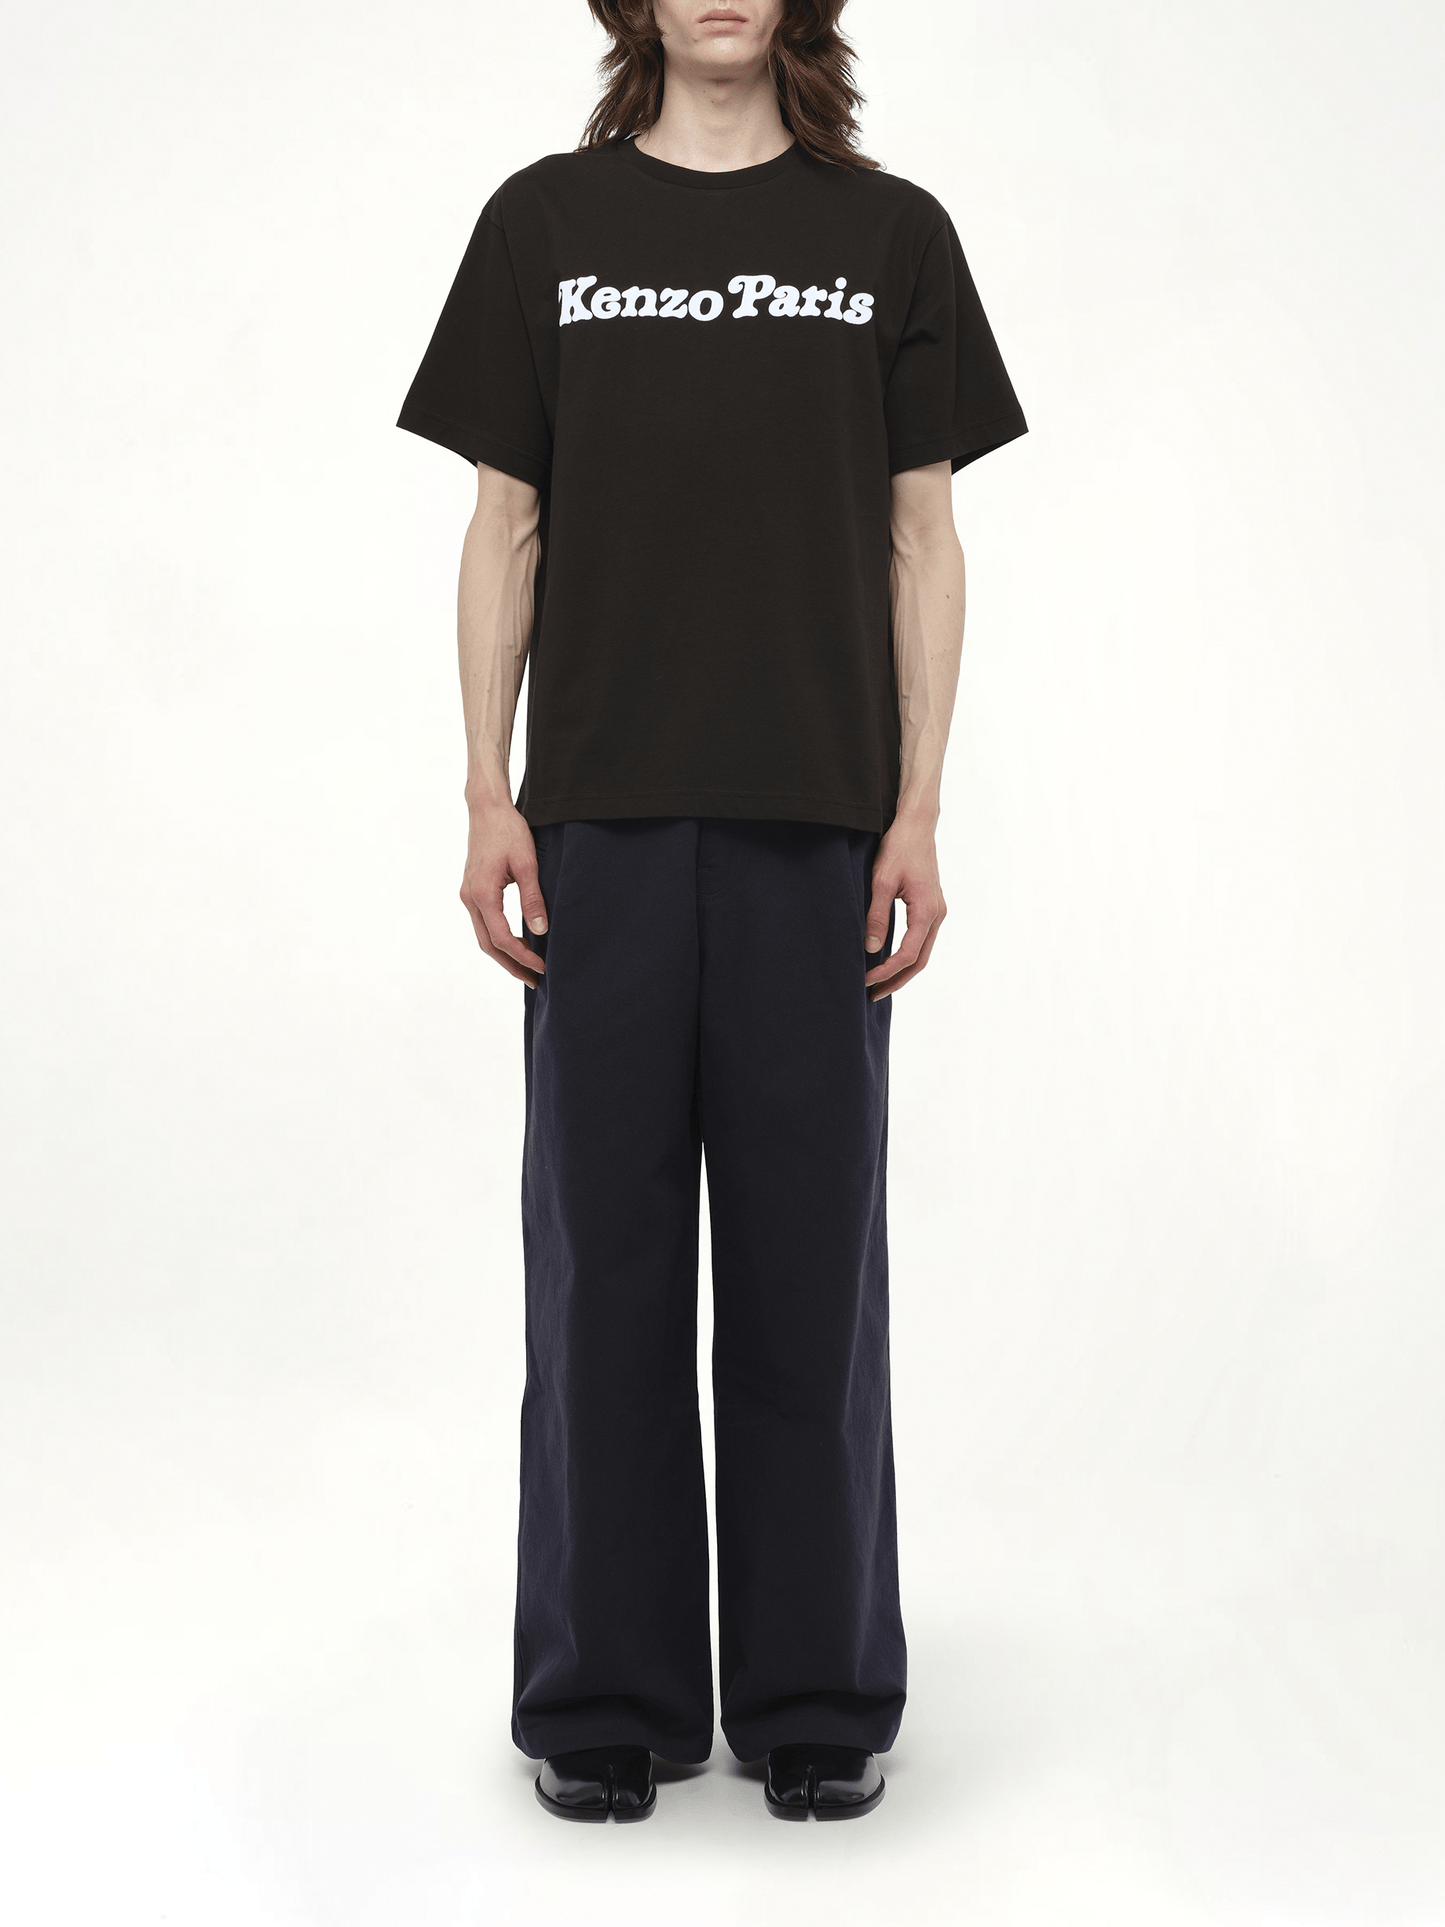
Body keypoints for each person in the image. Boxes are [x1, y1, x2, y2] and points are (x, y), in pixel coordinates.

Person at [397, 0, 1025, 1823]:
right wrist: (488, 787)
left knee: (810, 1275)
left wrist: (917, 808)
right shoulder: (546, 224)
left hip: (816, 829)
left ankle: (816, 1693)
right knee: (599, 1269)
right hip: (596, 821)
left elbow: (924, 536)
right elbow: (505, 524)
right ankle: (607, 1693)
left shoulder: (889, 236)